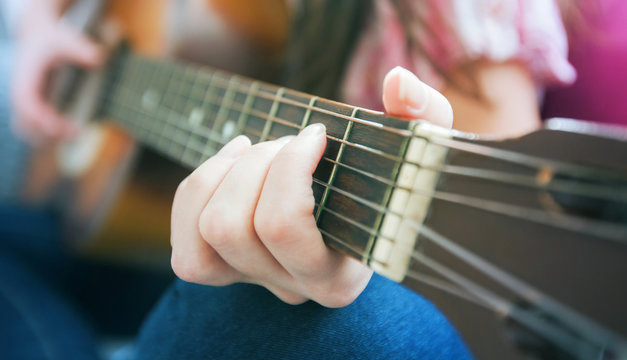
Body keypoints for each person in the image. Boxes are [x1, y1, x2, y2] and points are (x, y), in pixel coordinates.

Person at [5, 0, 578, 358]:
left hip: (336, 296)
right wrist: (41, 28)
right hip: (154, 228)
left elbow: (488, 267)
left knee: (277, 312)